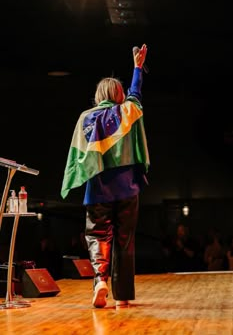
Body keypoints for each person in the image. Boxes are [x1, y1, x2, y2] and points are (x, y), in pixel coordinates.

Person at [61, 43, 150, 308]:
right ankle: (122, 297)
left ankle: (100, 280)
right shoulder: (129, 111)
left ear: (99, 95)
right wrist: (136, 67)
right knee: (125, 239)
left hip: (98, 187)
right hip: (128, 188)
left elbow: (78, 157)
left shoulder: (86, 118)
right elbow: (136, 93)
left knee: (98, 235)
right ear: (119, 93)